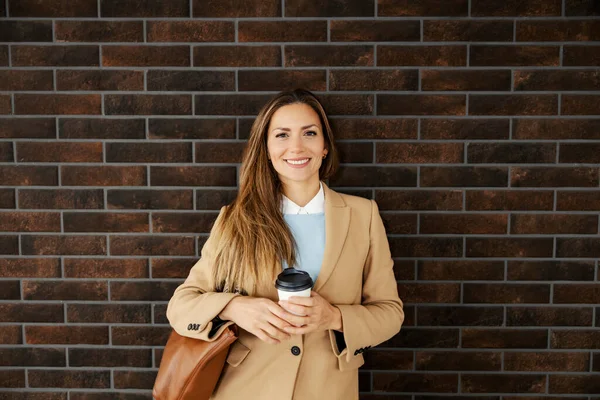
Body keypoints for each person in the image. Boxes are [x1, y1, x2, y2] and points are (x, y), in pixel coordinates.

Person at [166, 89, 404, 400]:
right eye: (281, 135)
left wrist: (333, 317)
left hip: (328, 390)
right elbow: (181, 305)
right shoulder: (235, 219)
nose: (296, 146)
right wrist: (235, 308)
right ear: (265, 149)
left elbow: (390, 313)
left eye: (309, 133)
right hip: (244, 389)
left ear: (324, 147)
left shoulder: (364, 216)